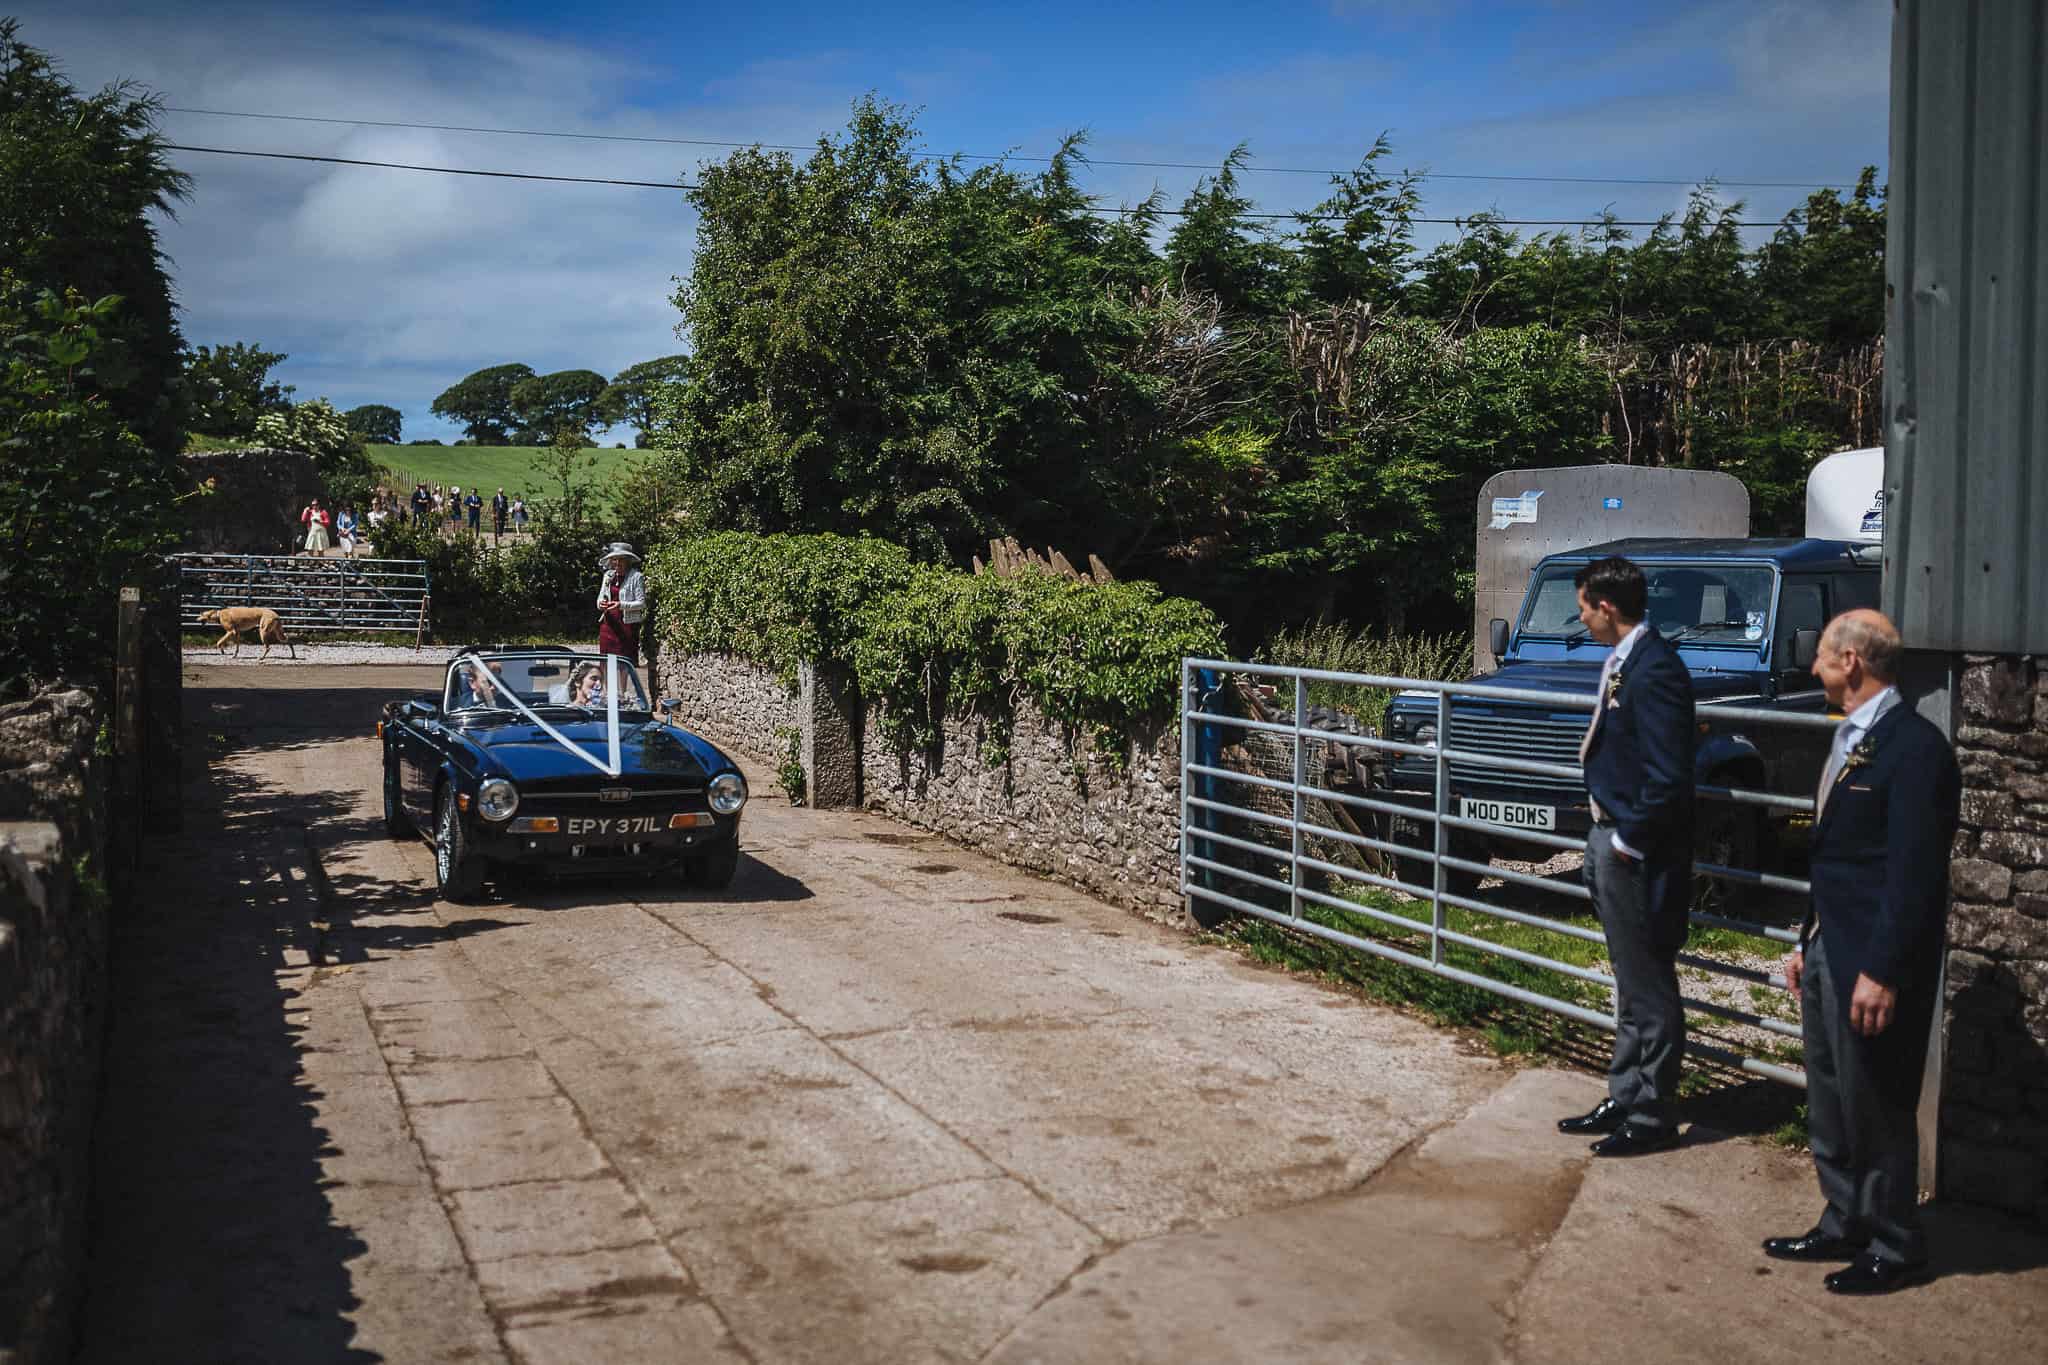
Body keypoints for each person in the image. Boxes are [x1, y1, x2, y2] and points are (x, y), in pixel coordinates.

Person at [1765, 609, 1959, 1295]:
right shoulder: (1848, 738)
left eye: (1820, 653)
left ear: (1852, 661)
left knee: (1877, 1101)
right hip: (1826, 950)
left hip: (1872, 963)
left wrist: (1883, 969)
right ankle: (1843, 1216)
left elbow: (1912, 874)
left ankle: (1895, 1240)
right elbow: (1839, 861)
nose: (1811, 664)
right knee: (1831, 1097)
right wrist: (1804, 940)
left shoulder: (1915, 750)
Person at [1558, 555, 1697, 1156]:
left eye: (1585, 607)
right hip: (1610, 833)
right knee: (1628, 976)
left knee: (1648, 983)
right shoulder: (1628, 660)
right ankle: (1626, 1089)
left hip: (1635, 849)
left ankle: (1651, 1111)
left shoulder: (1655, 669)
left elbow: (1669, 775)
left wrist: (1624, 842)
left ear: (1606, 607)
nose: (1583, 619)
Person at [594, 543, 645, 660]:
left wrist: (620, 605)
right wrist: (601, 604)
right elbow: (600, 598)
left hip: (627, 626)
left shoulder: (636, 577)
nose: (617, 563)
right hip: (608, 625)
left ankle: (622, 680)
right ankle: (607, 680)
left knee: (624, 663)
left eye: (621, 559)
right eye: (614, 559)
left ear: (628, 561)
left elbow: (641, 603)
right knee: (606, 661)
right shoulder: (608, 576)